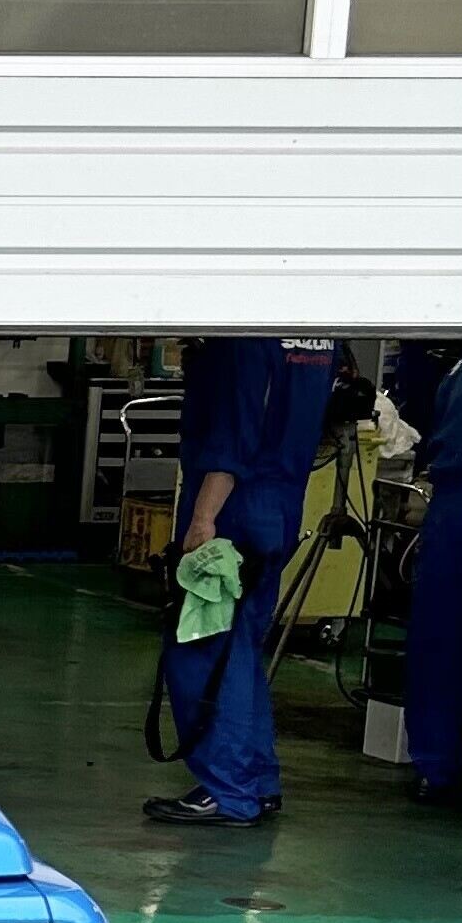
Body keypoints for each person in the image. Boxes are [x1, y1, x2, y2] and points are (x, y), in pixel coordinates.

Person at [142, 333, 338, 830]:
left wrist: (202, 519)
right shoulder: (322, 337)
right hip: (280, 505)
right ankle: (258, 780)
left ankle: (227, 789)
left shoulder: (243, 338)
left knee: (205, 647)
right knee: (241, 650)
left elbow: (234, 435)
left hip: (231, 508)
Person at [398, 345, 462, 813]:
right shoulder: (457, 365)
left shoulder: (459, 367)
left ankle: (437, 765)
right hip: (452, 503)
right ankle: (439, 764)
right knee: (440, 641)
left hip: (451, 508)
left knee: (440, 640)